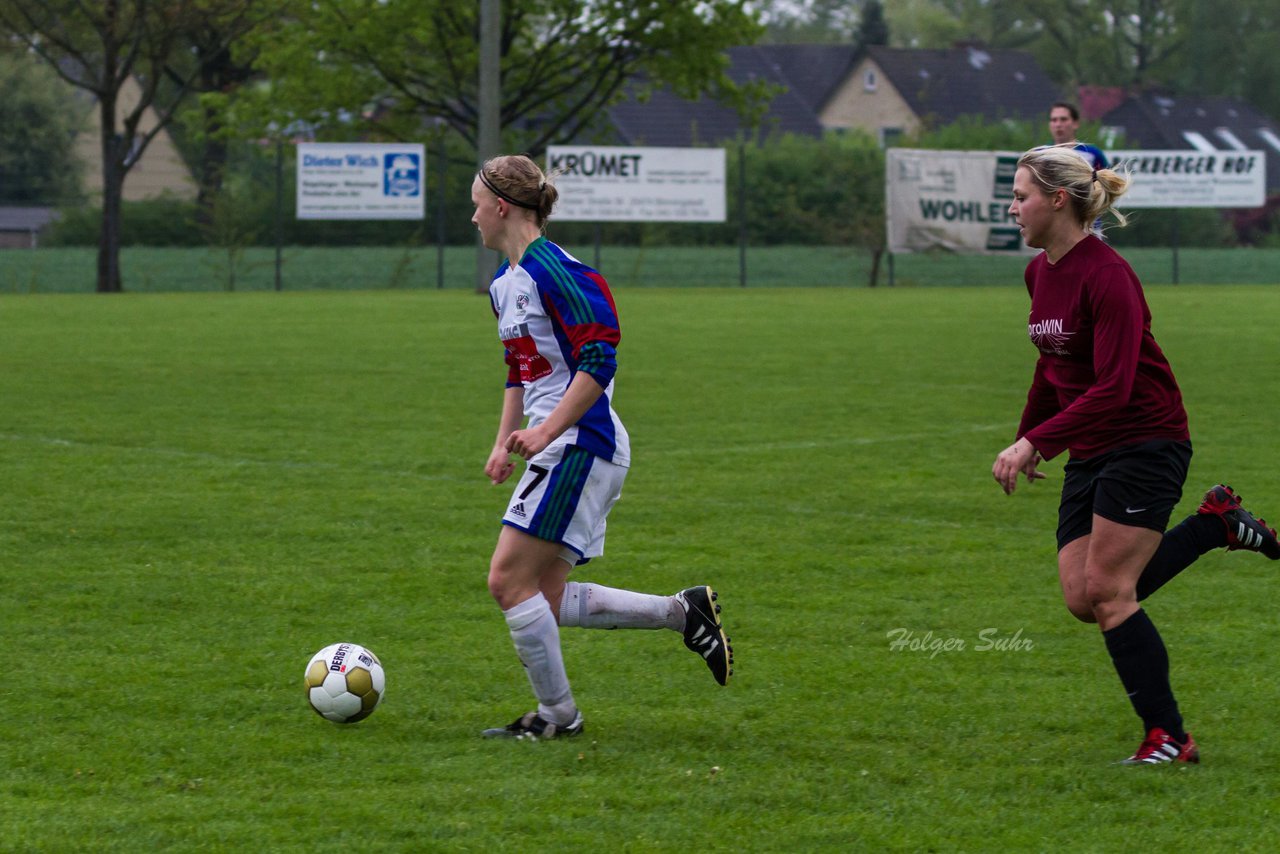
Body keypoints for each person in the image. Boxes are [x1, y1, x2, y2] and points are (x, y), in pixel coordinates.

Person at [992, 144, 1280, 765]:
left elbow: (1115, 387)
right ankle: (1215, 526)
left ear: (1058, 200)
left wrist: (1037, 441)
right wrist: (1030, 435)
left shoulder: (1109, 275)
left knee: (1110, 592)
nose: (1011, 208)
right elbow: (1053, 367)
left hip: (1147, 438)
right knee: (1082, 598)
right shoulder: (1038, 271)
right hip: (1093, 445)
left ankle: (1170, 737)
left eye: (1020, 197)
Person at [472, 154, 733, 740]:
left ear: (502, 207)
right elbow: (521, 374)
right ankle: (682, 612)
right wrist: (502, 443)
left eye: (476, 204)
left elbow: (600, 357)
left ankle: (557, 718)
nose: (473, 217)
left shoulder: (557, 271)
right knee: (546, 594)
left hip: (580, 444)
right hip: (562, 446)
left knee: (507, 582)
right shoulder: (504, 286)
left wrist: (545, 432)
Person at [1047, 101, 1108, 169]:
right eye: (1054, 120)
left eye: (1063, 119)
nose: (1058, 124)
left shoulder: (1093, 154)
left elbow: (1108, 178)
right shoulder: (1040, 155)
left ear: (1075, 124)